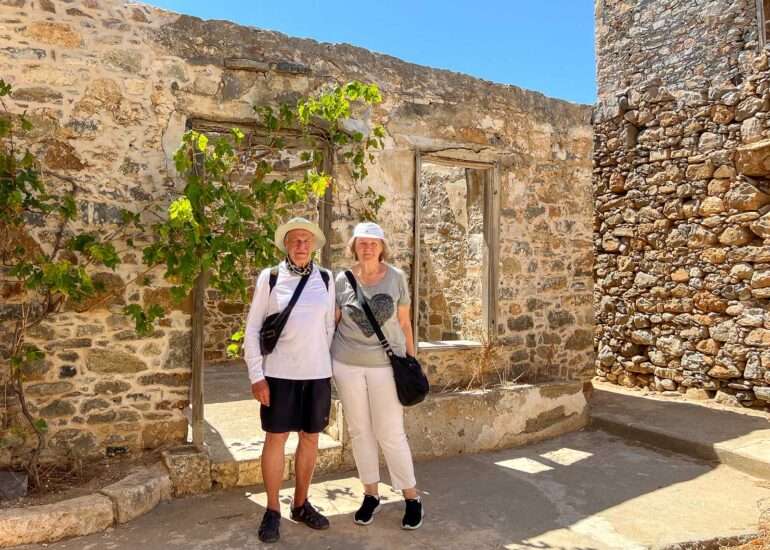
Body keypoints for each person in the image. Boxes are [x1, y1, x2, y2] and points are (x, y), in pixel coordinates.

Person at [243, 217, 335, 543]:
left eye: (306, 240)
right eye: (295, 240)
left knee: (310, 439)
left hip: (316, 375)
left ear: (313, 245)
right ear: (286, 245)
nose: (301, 246)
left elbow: (329, 329)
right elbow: (253, 330)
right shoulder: (269, 278)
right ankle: (271, 510)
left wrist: (324, 367)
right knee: (276, 439)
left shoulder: (325, 279)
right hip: (278, 375)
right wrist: (257, 376)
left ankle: (300, 504)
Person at [332, 221, 424, 530]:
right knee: (359, 431)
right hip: (346, 364)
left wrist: (411, 361)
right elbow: (332, 322)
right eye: (362, 242)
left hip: (386, 366)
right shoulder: (341, 280)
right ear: (354, 247)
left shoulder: (396, 278)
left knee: (390, 432)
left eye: (374, 242)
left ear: (382, 246)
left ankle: (411, 496)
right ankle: (370, 494)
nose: (368, 246)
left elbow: (405, 323)